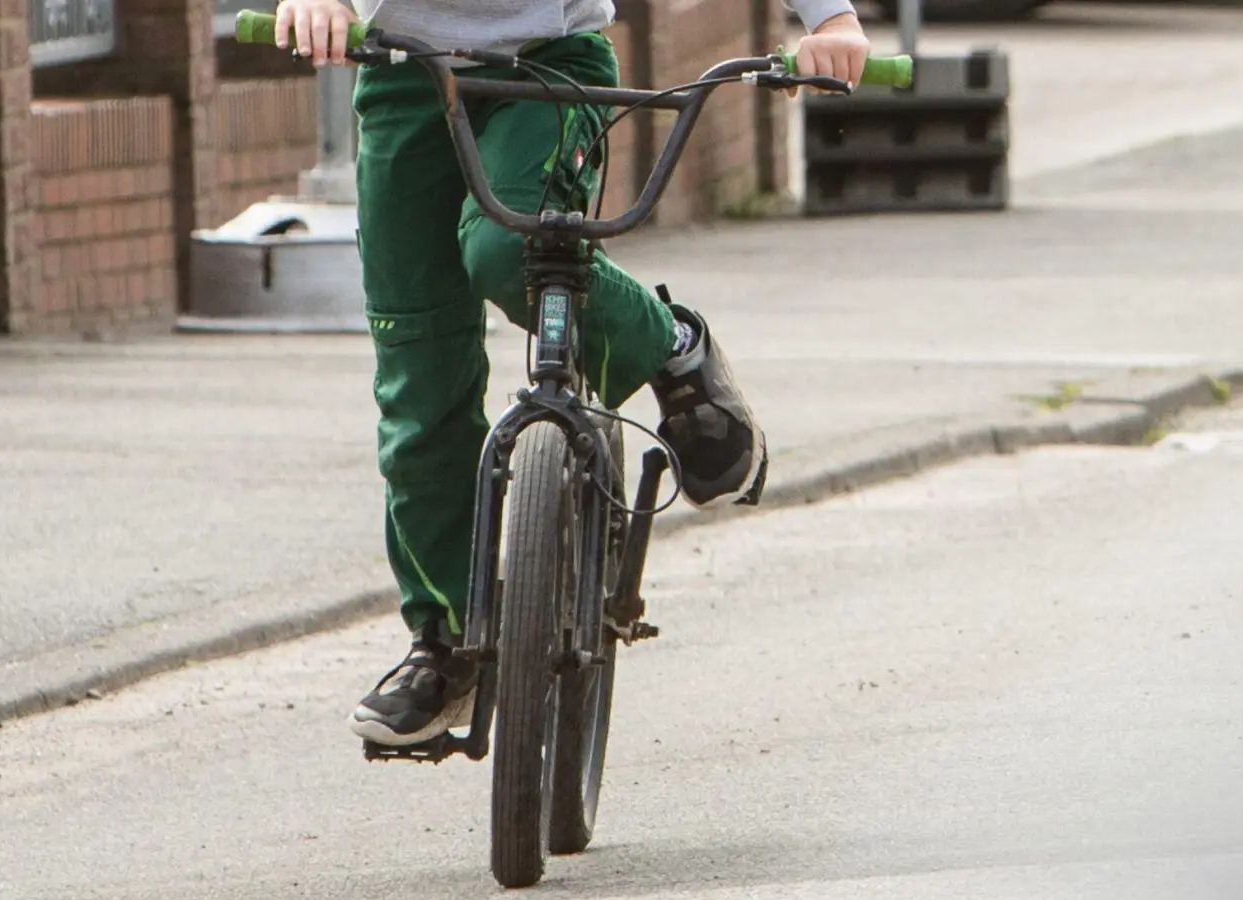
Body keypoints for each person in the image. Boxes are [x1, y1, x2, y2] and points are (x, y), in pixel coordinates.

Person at [272, 0, 871, 747]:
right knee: (416, 373)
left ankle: (671, 347)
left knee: (505, 249)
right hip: (401, 68)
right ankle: (444, 646)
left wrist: (831, 20)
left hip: (549, 65)